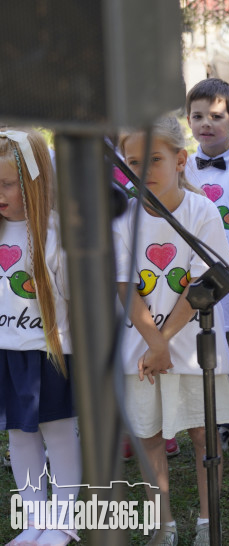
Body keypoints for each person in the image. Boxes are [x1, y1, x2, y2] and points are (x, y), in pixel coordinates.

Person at [114, 115, 229, 546]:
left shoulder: (200, 211)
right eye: (132, 162)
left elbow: (207, 282)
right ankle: (162, 524)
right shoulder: (124, 219)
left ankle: (208, 524)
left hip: (191, 344)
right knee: (148, 435)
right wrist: (152, 343)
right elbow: (124, 285)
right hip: (141, 349)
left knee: (204, 434)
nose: (143, 171)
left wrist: (163, 342)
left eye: (154, 160)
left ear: (180, 159)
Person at [0, 129, 79, 546]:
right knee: (20, 435)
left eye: (6, 184)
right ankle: (34, 519)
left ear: (31, 182)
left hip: (51, 352)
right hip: (8, 352)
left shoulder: (54, 232)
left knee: (59, 432)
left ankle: (65, 522)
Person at [183, 78, 229, 456]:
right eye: (197, 116)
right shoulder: (183, 170)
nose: (206, 124)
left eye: (215, 116)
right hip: (195, 272)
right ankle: (220, 417)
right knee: (209, 350)